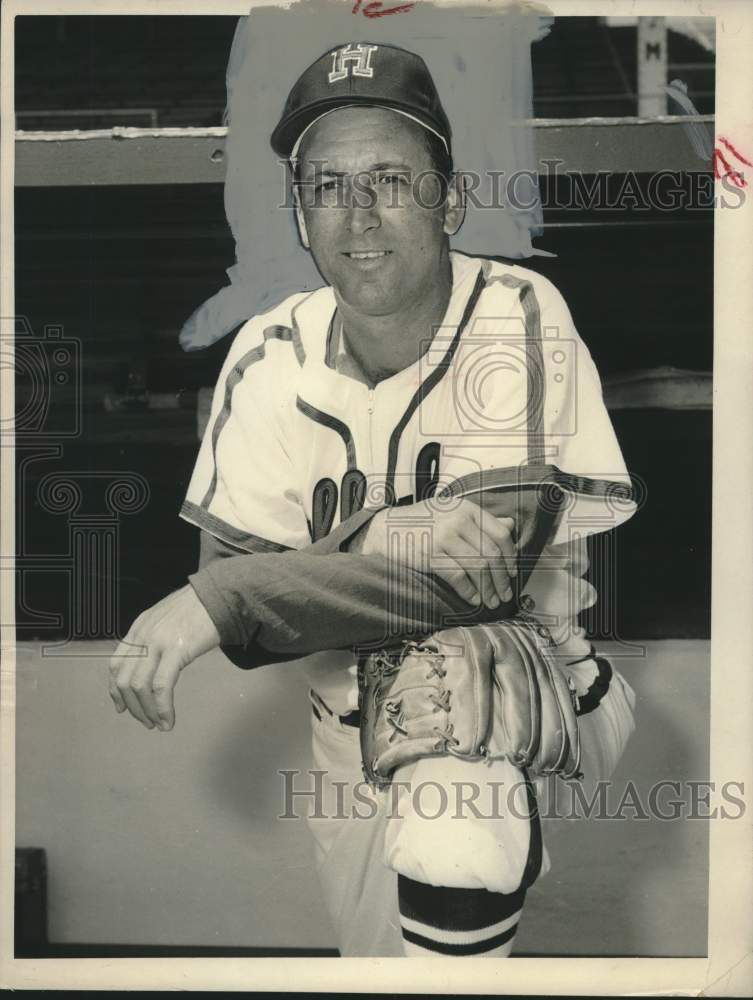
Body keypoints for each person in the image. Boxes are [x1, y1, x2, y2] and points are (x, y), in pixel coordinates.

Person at [110, 41, 638, 957]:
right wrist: (376, 541)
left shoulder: (517, 312)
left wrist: (246, 592)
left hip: (522, 696)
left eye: (392, 177)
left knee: (457, 808)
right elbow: (241, 610)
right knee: (376, 960)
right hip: (340, 732)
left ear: (452, 199)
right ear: (301, 217)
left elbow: (472, 581)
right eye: (326, 186)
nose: (359, 213)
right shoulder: (268, 350)